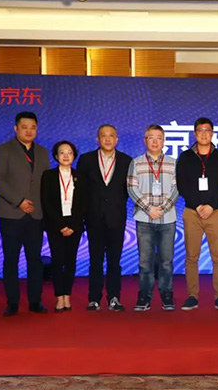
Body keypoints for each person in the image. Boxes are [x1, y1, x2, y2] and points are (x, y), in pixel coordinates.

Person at [0, 111, 50, 316]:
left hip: (36, 215)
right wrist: (19, 201)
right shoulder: (3, 149)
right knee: (11, 259)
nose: (29, 131)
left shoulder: (42, 152)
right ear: (16, 128)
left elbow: (45, 183)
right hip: (11, 213)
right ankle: (12, 303)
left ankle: (35, 301)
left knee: (35, 260)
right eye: (24, 127)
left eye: (33, 127)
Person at [176, 117, 218, 312]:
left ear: (212, 133)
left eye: (208, 130)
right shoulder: (185, 157)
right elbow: (182, 184)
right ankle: (192, 296)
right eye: (200, 130)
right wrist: (198, 205)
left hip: (215, 212)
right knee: (192, 257)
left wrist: (211, 205)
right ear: (194, 133)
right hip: (192, 212)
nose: (204, 134)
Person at [77, 124, 132, 312]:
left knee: (115, 262)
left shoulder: (126, 161)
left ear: (116, 139)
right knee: (95, 260)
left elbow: (129, 190)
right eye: (103, 136)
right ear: (97, 139)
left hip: (117, 217)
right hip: (94, 218)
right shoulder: (86, 160)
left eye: (111, 136)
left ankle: (114, 298)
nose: (107, 139)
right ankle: (94, 299)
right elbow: (81, 191)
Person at [127, 125, 179, 312]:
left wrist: (162, 209)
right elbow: (132, 188)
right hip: (144, 218)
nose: (155, 141)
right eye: (151, 137)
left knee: (166, 261)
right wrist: (149, 209)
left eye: (159, 137)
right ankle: (144, 295)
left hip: (167, 219)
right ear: (145, 140)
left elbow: (177, 188)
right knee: (145, 261)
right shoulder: (136, 162)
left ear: (164, 141)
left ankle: (167, 294)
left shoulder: (173, 163)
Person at [41, 141, 86, 312]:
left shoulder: (80, 176)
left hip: (74, 225)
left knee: (70, 261)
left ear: (74, 156)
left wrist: (73, 225)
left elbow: (83, 203)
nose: (66, 156)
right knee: (58, 261)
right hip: (55, 224)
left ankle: (67, 294)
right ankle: (59, 296)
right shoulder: (48, 176)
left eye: (69, 152)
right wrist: (60, 225)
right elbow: (46, 202)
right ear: (56, 156)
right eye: (62, 152)